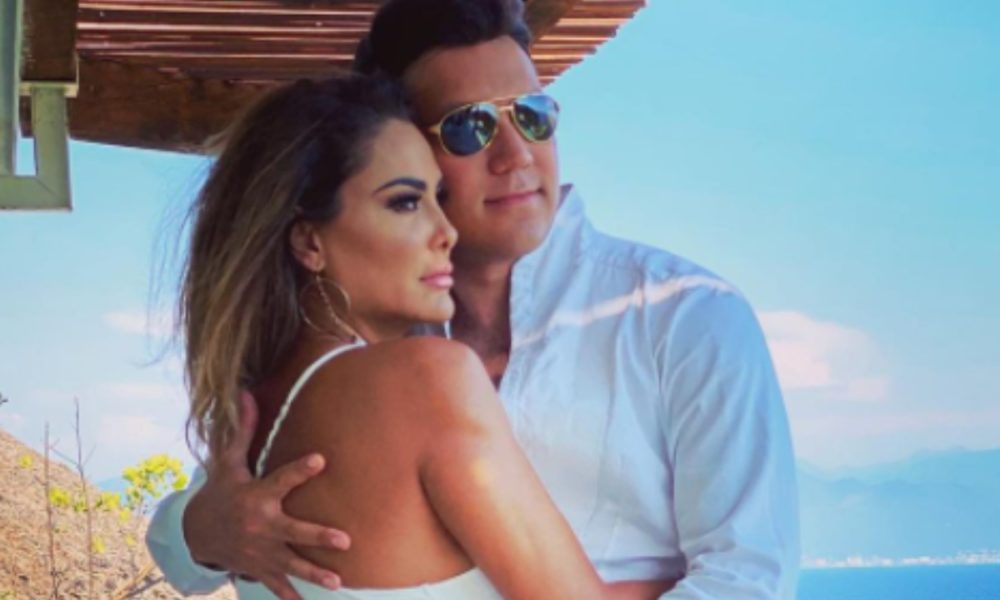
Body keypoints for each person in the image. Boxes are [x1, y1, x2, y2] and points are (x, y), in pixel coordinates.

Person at [148, 1, 800, 598]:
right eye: (470, 127)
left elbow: (749, 581)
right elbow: (189, 547)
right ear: (405, 149)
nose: (517, 155)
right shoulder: (361, 354)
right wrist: (201, 530)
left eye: (534, 115)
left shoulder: (687, 316)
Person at [166, 73, 673, 600]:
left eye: (440, 197)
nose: (446, 232)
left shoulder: (248, 422)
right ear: (310, 242)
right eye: (406, 202)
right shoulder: (427, 378)